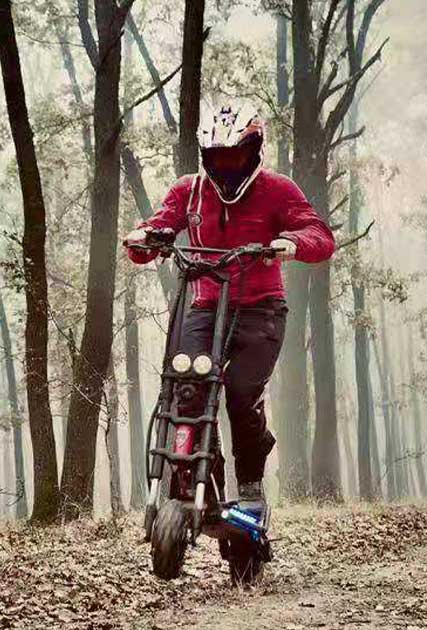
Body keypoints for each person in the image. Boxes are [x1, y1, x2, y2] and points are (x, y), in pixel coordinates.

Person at [123, 102, 335, 507]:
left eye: (236, 155)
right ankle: (205, 478)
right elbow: (157, 228)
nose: (227, 165)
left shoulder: (278, 189)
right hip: (204, 309)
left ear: (254, 151)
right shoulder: (189, 190)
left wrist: (291, 243)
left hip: (261, 310)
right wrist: (146, 237)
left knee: (239, 393)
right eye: (218, 156)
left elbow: (319, 235)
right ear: (205, 156)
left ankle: (251, 483)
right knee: (188, 388)